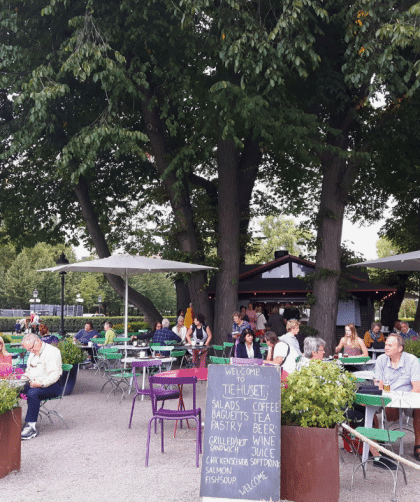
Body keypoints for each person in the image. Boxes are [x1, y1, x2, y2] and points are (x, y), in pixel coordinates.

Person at [374, 333, 420, 462]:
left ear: (400, 348)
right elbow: (378, 385)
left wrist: (403, 401)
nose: (386, 347)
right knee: (365, 404)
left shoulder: (411, 360)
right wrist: (390, 400)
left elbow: (417, 388)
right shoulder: (381, 360)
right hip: (388, 398)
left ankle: (418, 444)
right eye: (386, 344)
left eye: (390, 345)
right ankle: (376, 440)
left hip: (408, 397)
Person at [20, 334, 62, 440]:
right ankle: (10, 420)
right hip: (33, 384)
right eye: (28, 350)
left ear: (38, 341)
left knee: (33, 393)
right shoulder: (33, 351)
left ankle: (31, 427)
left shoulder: (52, 352)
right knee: (14, 389)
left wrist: (41, 384)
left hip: (52, 386)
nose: (31, 351)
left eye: (32, 348)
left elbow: (54, 375)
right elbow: (29, 371)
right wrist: (20, 380)